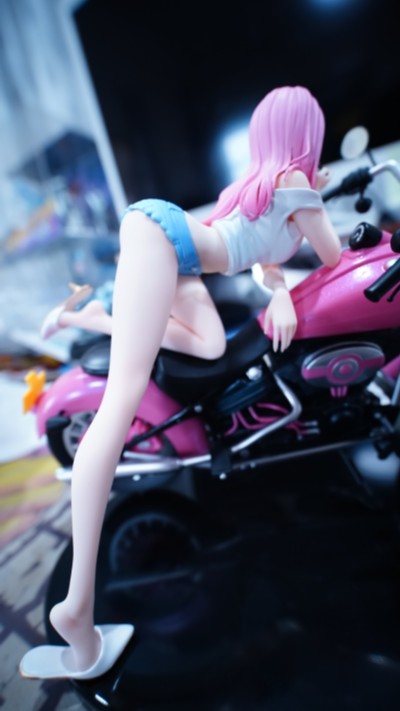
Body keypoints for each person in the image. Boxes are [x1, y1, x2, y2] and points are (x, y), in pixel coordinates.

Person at [20, 85, 341, 680]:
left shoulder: (272, 190)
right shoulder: (298, 186)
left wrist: (278, 292)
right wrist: (319, 195)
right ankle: (77, 606)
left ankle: (96, 317)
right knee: (119, 404)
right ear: (307, 135)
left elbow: (269, 260)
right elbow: (333, 256)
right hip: (162, 236)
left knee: (211, 344)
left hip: (181, 254)